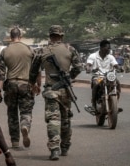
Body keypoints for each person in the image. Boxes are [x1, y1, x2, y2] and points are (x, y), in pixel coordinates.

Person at [29, 25, 83, 160]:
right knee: (65, 119)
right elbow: (78, 68)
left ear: (50, 36)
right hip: (65, 91)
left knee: (53, 119)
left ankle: (54, 149)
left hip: (51, 90)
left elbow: (33, 71)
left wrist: (33, 83)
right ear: (61, 36)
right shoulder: (70, 49)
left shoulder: (42, 51)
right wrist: (69, 78)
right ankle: (65, 147)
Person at [0, 27, 40, 149]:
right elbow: (37, 70)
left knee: (12, 113)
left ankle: (15, 141)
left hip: (10, 85)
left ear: (11, 37)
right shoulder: (30, 50)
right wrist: (37, 85)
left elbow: (1, 73)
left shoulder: (5, 51)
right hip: (25, 84)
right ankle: (25, 126)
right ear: (20, 36)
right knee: (26, 111)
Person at [86, 40, 120, 111]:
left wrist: (120, 68)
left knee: (117, 82)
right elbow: (88, 65)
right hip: (98, 77)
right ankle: (93, 105)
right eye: (107, 48)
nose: (109, 50)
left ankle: (115, 103)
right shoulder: (93, 56)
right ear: (101, 47)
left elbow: (115, 65)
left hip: (108, 76)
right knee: (96, 84)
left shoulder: (110, 57)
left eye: (109, 48)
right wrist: (89, 69)